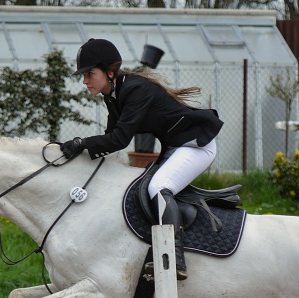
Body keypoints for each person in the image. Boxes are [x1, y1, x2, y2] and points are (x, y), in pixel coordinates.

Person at [62, 38, 223, 280]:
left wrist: (82, 143)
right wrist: (81, 152)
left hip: (197, 146)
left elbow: (120, 139)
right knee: (140, 187)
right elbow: (110, 138)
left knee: (159, 187)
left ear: (109, 71)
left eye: (89, 74)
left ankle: (174, 257)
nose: (85, 81)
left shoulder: (134, 89)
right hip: (176, 148)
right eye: (83, 75)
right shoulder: (113, 95)